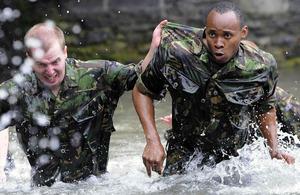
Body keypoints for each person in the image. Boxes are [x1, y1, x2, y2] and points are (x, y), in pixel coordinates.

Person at [132, 1, 295, 177]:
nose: (218, 43)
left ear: (243, 33)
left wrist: (274, 149)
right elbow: (142, 90)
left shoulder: (261, 66)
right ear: (205, 31)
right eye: (212, 34)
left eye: (227, 36)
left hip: (234, 157)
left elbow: (265, 107)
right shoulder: (177, 54)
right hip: (186, 151)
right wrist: (153, 141)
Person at [0, 20, 166, 186]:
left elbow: (140, 77)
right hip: (43, 190)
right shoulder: (17, 91)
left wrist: (154, 48)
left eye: (55, 62)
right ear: (29, 58)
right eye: (41, 64)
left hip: (95, 186)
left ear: (65, 52)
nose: (50, 72)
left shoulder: (97, 76)